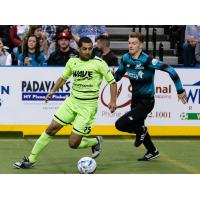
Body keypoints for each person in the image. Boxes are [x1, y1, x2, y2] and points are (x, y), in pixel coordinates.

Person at [14, 36, 117, 169]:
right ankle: (30, 159)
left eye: (90, 49)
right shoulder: (72, 61)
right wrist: (52, 92)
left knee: (73, 144)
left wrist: (113, 101)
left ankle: (95, 141)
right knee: (51, 129)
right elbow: (63, 78)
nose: (87, 51)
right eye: (84, 49)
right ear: (79, 49)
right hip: (71, 103)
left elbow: (112, 82)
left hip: (87, 108)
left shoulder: (99, 63)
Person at [113, 32, 187, 161]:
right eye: (129, 43)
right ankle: (152, 151)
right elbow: (118, 77)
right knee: (140, 127)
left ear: (141, 45)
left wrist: (180, 90)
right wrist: (111, 75)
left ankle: (142, 131)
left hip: (147, 101)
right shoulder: (125, 58)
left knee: (120, 125)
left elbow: (171, 70)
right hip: (135, 100)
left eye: (134, 43)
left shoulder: (147, 60)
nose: (131, 45)